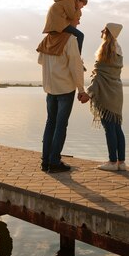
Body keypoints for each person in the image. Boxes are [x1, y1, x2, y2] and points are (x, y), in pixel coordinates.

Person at [37, 12, 90, 173]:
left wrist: (54, 66)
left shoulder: (47, 39)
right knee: (61, 125)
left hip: (50, 88)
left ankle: (45, 161)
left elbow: (40, 61)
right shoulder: (71, 39)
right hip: (65, 88)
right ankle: (54, 161)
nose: (78, 23)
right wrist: (81, 89)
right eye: (77, 19)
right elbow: (75, 66)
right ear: (67, 19)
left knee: (50, 123)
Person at [86, 23, 126, 171]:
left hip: (105, 93)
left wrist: (88, 93)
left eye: (104, 29)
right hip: (116, 92)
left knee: (109, 128)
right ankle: (121, 162)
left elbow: (99, 76)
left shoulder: (105, 49)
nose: (101, 31)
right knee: (117, 127)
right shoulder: (118, 49)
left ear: (109, 33)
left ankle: (112, 162)